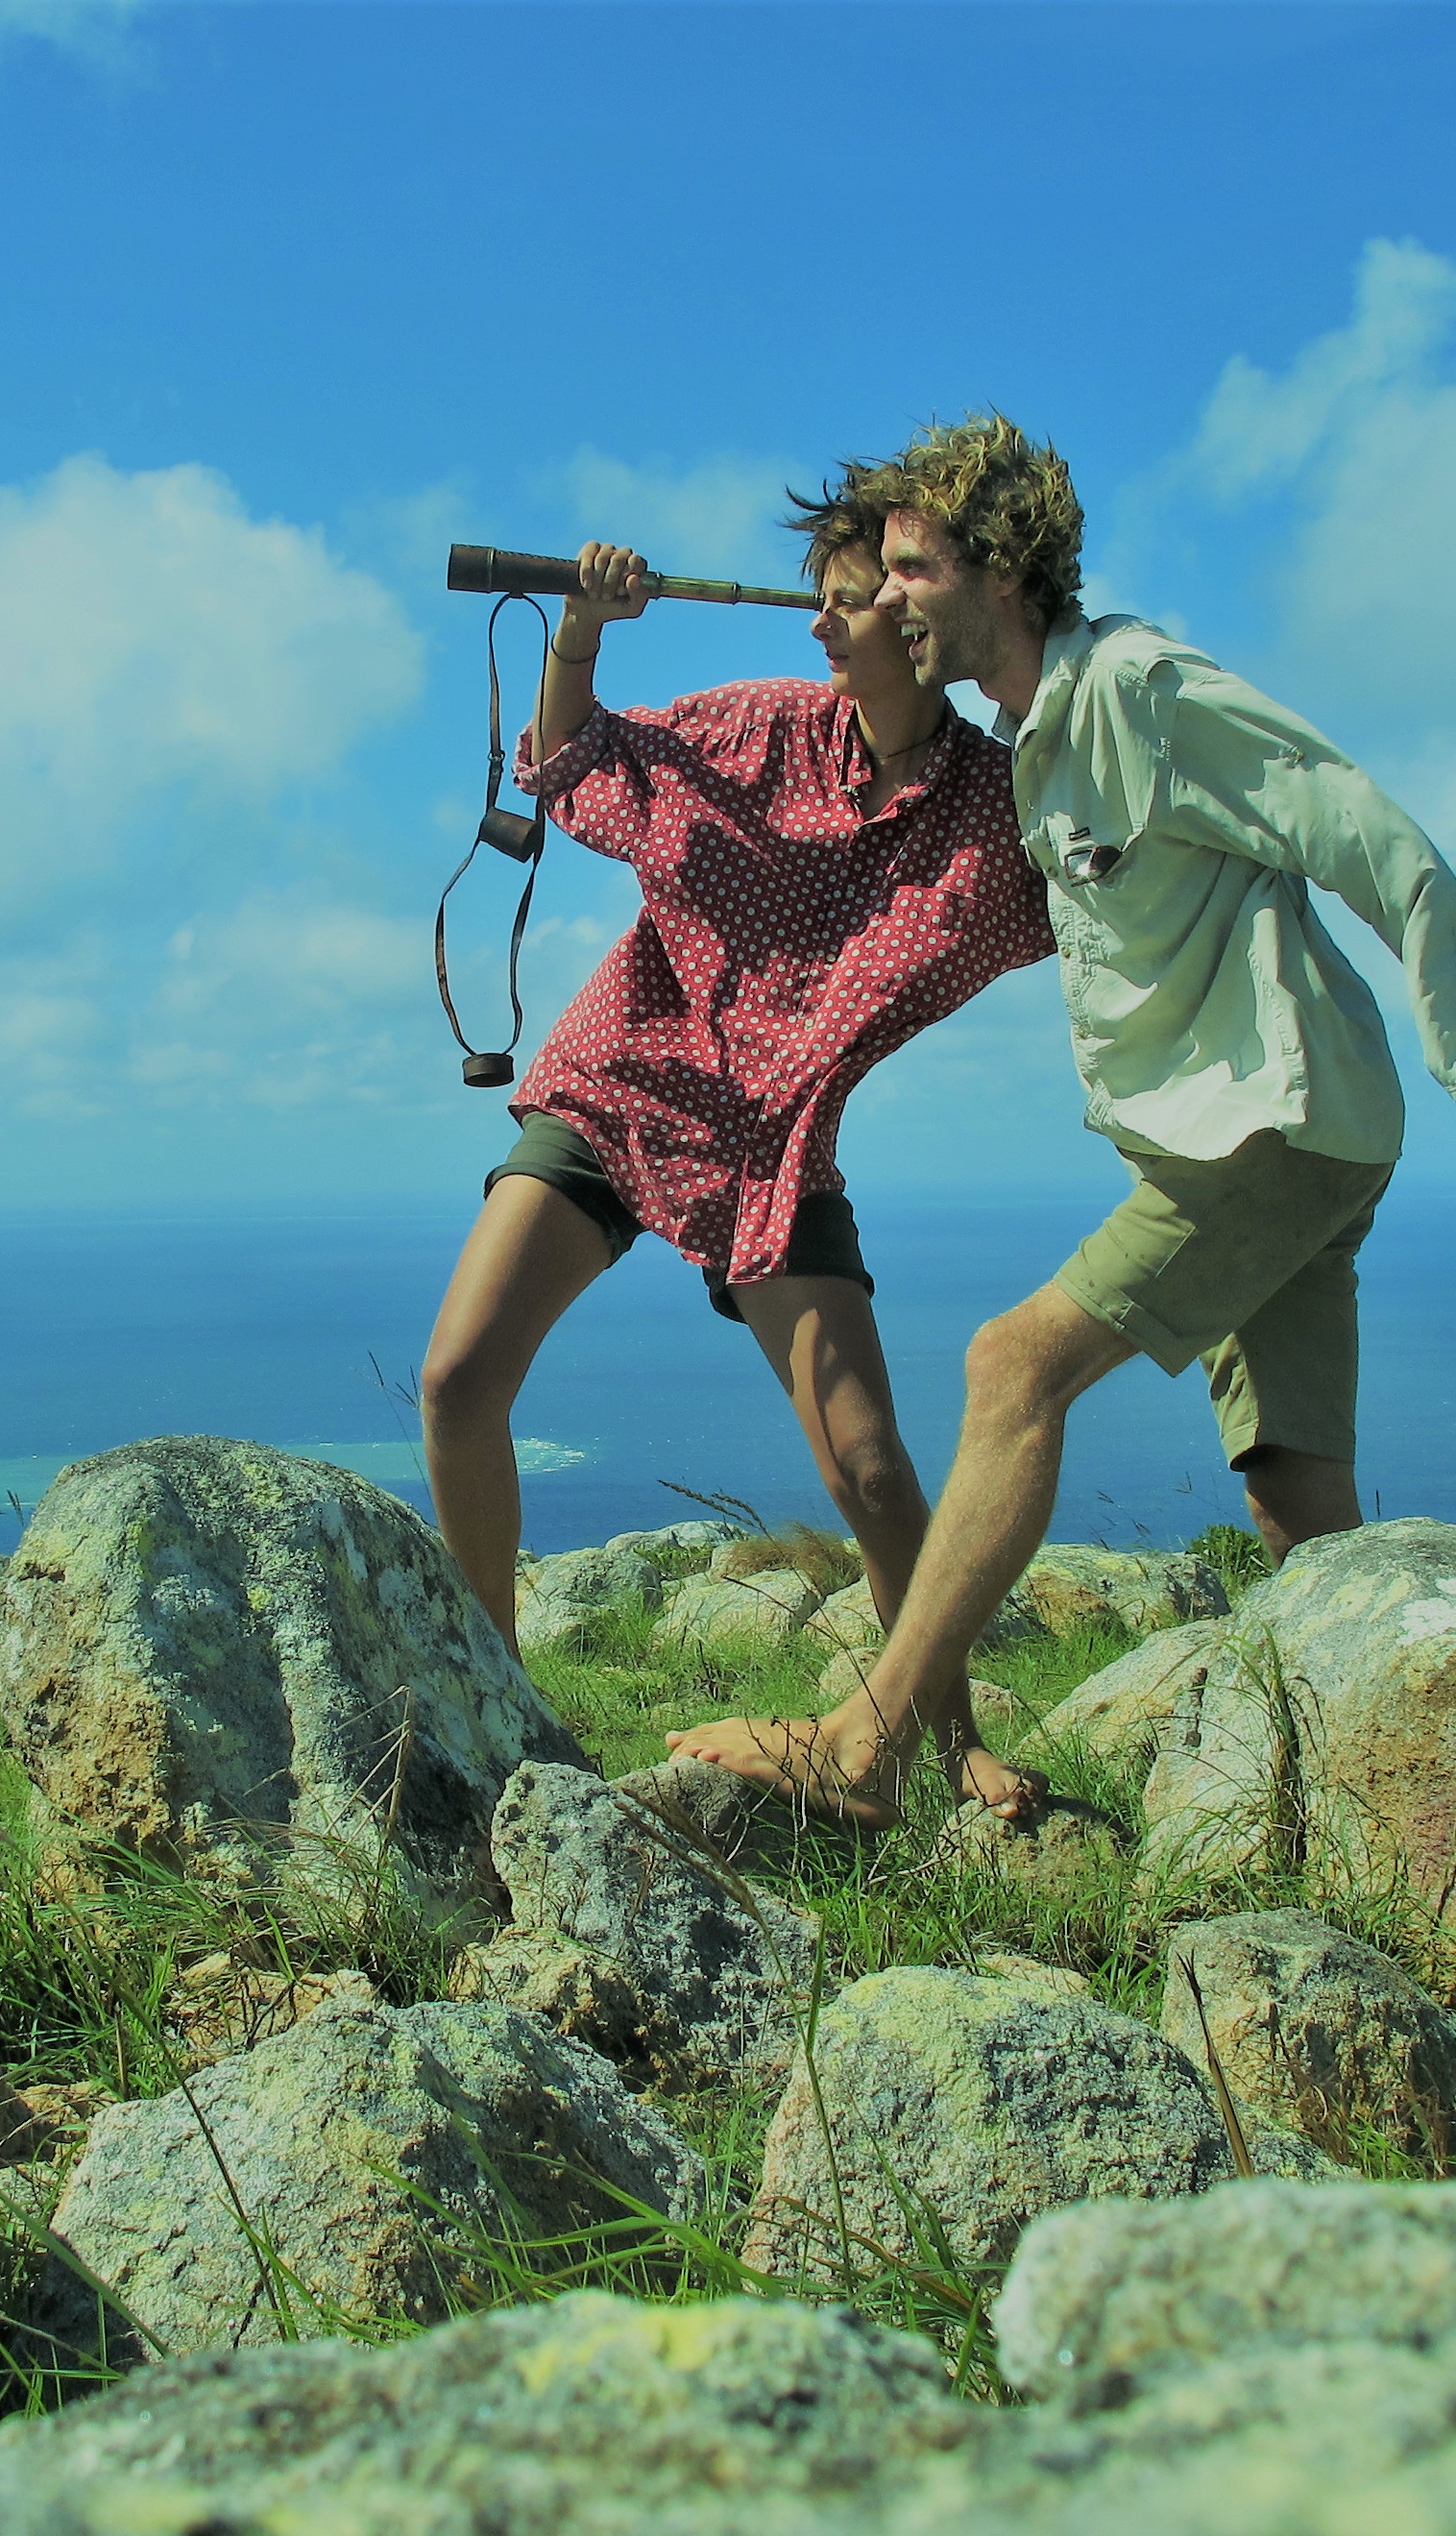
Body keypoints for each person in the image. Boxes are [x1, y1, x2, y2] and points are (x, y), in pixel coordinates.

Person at [669, 415, 1456, 1824]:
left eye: (915, 567)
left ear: (1004, 571)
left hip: (1274, 1137)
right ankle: (1406, 1806)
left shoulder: (1142, 692)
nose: (889, 595)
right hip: (1275, 1141)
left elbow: (1369, 832)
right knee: (1299, 1503)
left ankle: (866, 1750)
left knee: (1011, 1369)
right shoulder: (1037, 745)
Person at [419, 489, 1055, 1817]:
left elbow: (1112, 891)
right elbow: (564, 763)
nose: (824, 617)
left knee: (872, 1472)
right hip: (625, 1083)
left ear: (928, 622)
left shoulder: (999, 816)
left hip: (776, 1148)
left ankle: (932, 1746)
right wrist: (582, 630)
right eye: (823, 591)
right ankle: (499, 1702)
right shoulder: (753, 726)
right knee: (457, 1376)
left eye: (853, 595)